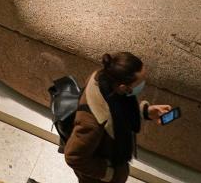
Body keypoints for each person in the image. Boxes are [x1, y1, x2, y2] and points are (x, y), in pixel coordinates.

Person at [64, 52, 173, 183]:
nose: (143, 84)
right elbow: (73, 156)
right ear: (124, 87)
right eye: (140, 82)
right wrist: (109, 174)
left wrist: (145, 112)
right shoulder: (92, 123)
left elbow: (118, 113)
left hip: (112, 160)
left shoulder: (106, 79)